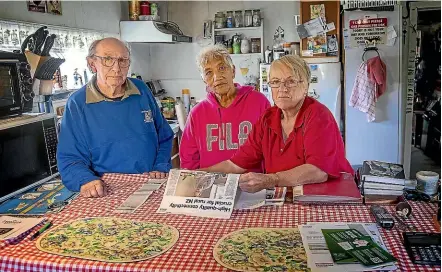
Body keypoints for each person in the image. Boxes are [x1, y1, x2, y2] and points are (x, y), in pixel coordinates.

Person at [202, 55, 353, 193]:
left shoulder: (318, 115)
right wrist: (197, 175)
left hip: (329, 199)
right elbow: (235, 165)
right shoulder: (268, 119)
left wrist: (271, 179)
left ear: (306, 86)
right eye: (275, 82)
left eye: (291, 81)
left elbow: (317, 172)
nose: (282, 88)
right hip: (288, 199)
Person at [57, 37, 173, 198]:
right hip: (107, 190)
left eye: (123, 60)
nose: (117, 68)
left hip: (151, 183)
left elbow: (164, 135)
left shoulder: (141, 89)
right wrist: (86, 180)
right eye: (108, 59)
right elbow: (70, 157)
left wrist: (161, 166)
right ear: (92, 64)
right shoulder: (78, 103)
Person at [179, 44, 270, 170]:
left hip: (252, 186)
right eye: (209, 72)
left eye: (221, 68)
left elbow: (271, 149)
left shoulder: (259, 102)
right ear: (204, 80)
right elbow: (189, 161)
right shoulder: (197, 113)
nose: (217, 77)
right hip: (211, 186)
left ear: (233, 71)